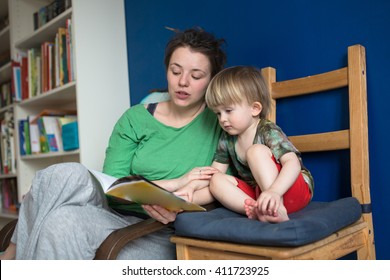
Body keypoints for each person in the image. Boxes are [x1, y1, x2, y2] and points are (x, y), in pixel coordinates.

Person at [0, 27, 227, 259]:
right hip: (114, 214)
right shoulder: (135, 118)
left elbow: (228, 184)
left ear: (211, 80)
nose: (183, 82)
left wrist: (180, 203)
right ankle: (11, 258)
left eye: (196, 76)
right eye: (175, 71)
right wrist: (174, 184)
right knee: (63, 174)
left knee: (59, 221)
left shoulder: (222, 121)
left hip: (163, 231)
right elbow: (115, 187)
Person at [203, 66, 314, 223]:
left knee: (255, 151)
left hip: (290, 189)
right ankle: (256, 210)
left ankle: (277, 208)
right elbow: (214, 172)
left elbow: (293, 164)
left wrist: (275, 192)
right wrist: (190, 188)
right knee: (216, 179)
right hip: (260, 194)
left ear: (254, 109)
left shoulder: (267, 130)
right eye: (218, 113)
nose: (222, 119)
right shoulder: (227, 137)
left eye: (228, 110)